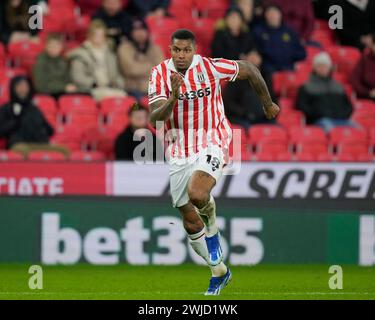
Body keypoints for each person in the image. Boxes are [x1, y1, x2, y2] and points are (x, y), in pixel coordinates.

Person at [148, 29, 279, 295]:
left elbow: (250, 69)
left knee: (198, 194)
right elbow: (155, 119)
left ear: (194, 50)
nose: (181, 55)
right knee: (188, 219)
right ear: (170, 50)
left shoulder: (210, 67)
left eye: (186, 50)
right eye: (176, 50)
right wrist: (174, 96)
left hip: (213, 139)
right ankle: (219, 270)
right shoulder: (159, 74)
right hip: (180, 149)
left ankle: (213, 230)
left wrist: (267, 103)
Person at [0, 76, 69, 158]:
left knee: (64, 150)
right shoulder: (7, 108)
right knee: (22, 151)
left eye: (26, 86)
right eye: (20, 86)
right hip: (20, 144)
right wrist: (15, 120)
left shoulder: (34, 109)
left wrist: (41, 133)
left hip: (40, 144)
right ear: (13, 88)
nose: (23, 89)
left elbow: (50, 130)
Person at [68, 19, 126, 101]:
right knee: (114, 99)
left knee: (128, 100)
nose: (99, 38)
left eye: (102, 35)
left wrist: (119, 83)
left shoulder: (110, 54)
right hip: (90, 90)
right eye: (96, 35)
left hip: (111, 88)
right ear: (90, 35)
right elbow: (78, 76)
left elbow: (117, 74)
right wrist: (94, 83)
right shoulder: (80, 54)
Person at [296, 52, 354, 132]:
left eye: (325, 66)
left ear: (330, 67)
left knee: (359, 131)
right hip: (320, 121)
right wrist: (318, 114)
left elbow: (349, 106)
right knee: (333, 131)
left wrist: (343, 115)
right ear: (314, 68)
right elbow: (301, 106)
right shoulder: (306, 87)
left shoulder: (338, 86)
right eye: (320, 66)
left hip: (342, 120)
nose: (323, 68)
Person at [118, 19, 164, 101]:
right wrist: (151, 65)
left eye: (142, 29)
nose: (140, 33)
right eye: (136, 30)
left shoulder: (155, 48)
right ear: (131, 33)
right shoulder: (124, 48)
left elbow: (161, 70)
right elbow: (131, 70)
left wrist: (140, 64)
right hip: (134, 90)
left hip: (155, 89)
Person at [253, 4, 306, 74]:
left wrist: (289, 55)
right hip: (267, 72)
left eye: (275, 13)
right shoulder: (258, 31)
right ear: (265, 15)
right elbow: (255, 51)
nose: (272, 16)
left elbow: (302, 53)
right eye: (269, 13)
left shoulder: (289, 32)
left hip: (288, 70)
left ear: (280, 15)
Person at [33, 34, 78, 98]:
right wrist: (63, 87)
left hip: (64, 93)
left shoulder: (63, 61)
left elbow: (68, 80)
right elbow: (41, 86)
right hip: (48, 95)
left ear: (61, 47)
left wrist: (70, 86)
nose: (54, 48)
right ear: (46, 46)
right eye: (51, 45)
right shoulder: (40, 62)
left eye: (57, 46)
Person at [350, 32, 375, 100]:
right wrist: (368, 92)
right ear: (372, 46)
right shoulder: (365, 59)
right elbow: (354, 80)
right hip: (368, 97)